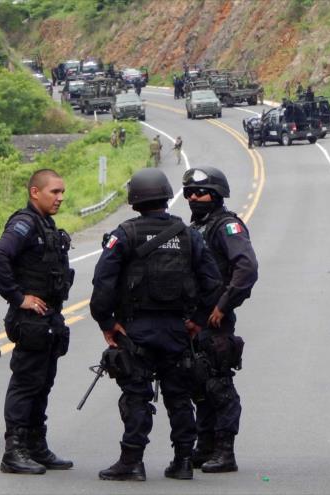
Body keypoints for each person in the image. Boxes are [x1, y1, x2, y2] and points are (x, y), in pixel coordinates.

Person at [91, 168, 222, 482]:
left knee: (136, 396)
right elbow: (213, 281)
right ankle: (184, 462)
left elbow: (102, 284)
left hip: (135, 330)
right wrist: (197, 321)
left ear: (134, 199)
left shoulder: (124, 234)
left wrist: (107, 323)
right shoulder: (188, 234)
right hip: (177, 330)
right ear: (166, 195)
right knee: (179, 396)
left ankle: (132, 461)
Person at [0, 169, 75, 475]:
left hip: (49, 318)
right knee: (26, 384)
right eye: (54, 192)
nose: (60, 198)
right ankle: (15, 451)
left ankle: (37, 447)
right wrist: (18, 297)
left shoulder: (45, 225)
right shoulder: (24, 224)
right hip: (31, 320)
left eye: (62, 192)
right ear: (35, 192)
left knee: (43, 384)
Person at [181, 167, 258, 474]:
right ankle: (206, 444)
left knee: (218, 385)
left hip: (213, 320)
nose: (194, 198)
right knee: (198, 383)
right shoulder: (196, 227)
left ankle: (225, 451)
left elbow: (246, 269)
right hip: (192, 320)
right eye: (189, 193)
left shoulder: (227, 227)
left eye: (200, 193)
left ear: (216, 195)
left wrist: (223, 307)